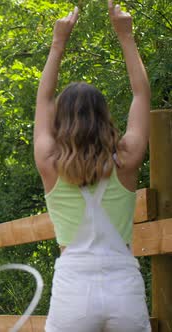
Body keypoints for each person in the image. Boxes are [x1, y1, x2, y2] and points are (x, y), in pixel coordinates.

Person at [34, 1, 151, 331]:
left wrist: (58, 43)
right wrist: (125, 36)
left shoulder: (50, 161)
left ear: (61, 120)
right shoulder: (125, 159)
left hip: (73, 285)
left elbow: (43, 100)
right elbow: (141, 95)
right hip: (123, 284)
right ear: (103, 116)